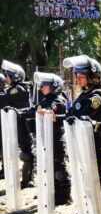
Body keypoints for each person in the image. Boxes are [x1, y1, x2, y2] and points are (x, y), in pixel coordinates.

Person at [62, 55, 101, 214]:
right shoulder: (83, 95)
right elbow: (71, 113)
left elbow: (82, 113)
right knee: (85, 180)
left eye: (81, 76)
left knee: (96, 181)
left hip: (94, 146)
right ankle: (88, 210)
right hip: (81, 143)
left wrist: (71, 116)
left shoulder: (98, 96)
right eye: (77, 76)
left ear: (92, 77)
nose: (78, 80)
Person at [16, 72, 71, 204]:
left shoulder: (58, 101)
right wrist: (17, 112)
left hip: (56, 138)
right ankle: (54, 193)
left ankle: (65, 196)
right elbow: (33, 110)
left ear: (54, 86)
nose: (41, 88)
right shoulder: (46, 100)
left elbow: (46, 111)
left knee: (59, 168)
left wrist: (32, 112)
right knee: (48, 167)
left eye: (44, 85)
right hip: (45, 138)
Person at [0, 60, 32, 184]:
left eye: (7, 75)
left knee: (26, 153)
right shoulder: (14, 88)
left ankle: (28, 180)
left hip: (23, 125)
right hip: (16, 124)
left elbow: (3, 99)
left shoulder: (18, 89)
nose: (6, 78)